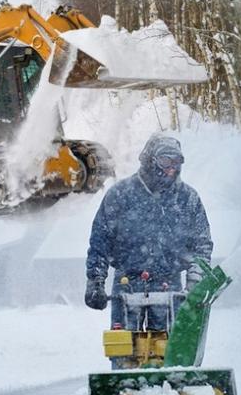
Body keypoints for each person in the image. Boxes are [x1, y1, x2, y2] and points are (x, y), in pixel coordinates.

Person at [85, 134, 213, 333]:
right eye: (165, 161)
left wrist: (195, 279)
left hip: (169, 284)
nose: (171, 168)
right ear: (150, 161)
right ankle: (125, 364)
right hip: (127, 283)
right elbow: (100, 240)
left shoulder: (187, 199)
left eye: (177, 161)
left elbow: (201, 244)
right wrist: (95, 280)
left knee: (168, 348)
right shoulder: (120, 195)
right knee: (124, 347)